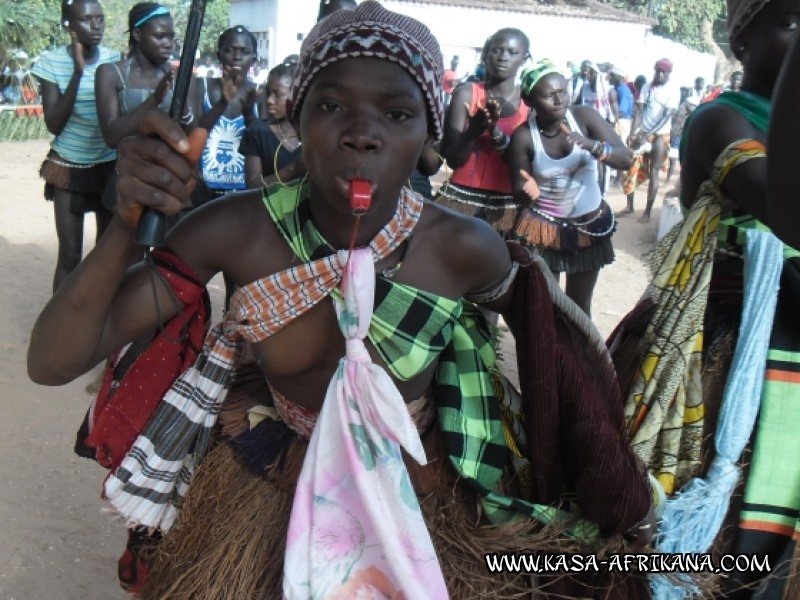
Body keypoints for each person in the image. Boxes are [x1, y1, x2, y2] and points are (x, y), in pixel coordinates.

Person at [27, 3, 656, 598]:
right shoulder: (235, 232)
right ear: (298, 121)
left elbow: (556, 349)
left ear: (429, 135)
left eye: (397, 114)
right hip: (271, 474)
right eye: (331, 105)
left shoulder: (465, 249)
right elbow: (53, 363)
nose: (362, 134)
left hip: (424, 485)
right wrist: (125, 220)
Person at [609, 0, 800, 596]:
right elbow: (783, 207)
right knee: (683, 524)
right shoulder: (721, 120)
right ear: (741, 42)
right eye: (793, 22)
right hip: (725, 340)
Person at [507, 60, 633, 317]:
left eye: (562, 91)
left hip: (589, 225)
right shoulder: (523, 136)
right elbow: (518, 188)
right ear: (529, 101)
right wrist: (526, 187)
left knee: (579, 307)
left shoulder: (584, 118)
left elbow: (626, 158)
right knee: (550, 307)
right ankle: (552, 357)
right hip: (546, 230)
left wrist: (593, 146)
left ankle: (582, 357)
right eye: (549, 95)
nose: (558, 99)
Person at [32, 0, 120, 291]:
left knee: (104, 254)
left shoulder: (114, 60)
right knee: (70, 256)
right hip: (69, 166)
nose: (96, 26)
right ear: (69, 25)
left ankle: (96, 320)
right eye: (86, 20)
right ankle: (59, 327)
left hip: (108, 165)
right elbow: (54, 123)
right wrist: (79, 73)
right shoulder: (51, 62)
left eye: (100, 19)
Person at [435, 28, 530, 236]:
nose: (503, 57)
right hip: (461, 198)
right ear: (486, 54)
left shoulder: (529, 105)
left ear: (525, 59)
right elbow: (452, 160)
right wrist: (473, 132)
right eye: (497, 50)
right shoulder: (467, 94)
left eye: (512, 52)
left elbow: (524, 165)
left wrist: (493, 131)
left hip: (508, 206)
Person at [187, 25, 260, 206]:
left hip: (244, 192)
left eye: (244, 52)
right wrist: (223, 104)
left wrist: (250, 114)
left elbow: (263, 144)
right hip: (203, 190)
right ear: (219, 55)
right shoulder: (199, 86)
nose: (237, 57)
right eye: (230, 50)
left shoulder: (260, 93)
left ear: (254, 59)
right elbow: (193, 134)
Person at [95, 2, 175, 152]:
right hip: (128, 169)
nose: (168, 44)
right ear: (137, 34)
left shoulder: (174, 75)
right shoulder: (111, 73)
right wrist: (154, 99)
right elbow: (112, 137)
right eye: (160, 36)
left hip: (168, 167)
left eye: (171, 38)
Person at [620, 58, 681, 221]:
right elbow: (638, 111)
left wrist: (646, 136)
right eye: (657, 71)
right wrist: (634, 133)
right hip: (643, 131)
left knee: (654, 171)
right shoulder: (647, 86)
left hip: (661, 134)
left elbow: (665, 116)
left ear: (669, 74)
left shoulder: (673, 90)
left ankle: (647, 211)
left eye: (663, 72)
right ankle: (629, 206)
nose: (660, 75)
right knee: (629, 167)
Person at [240, 62, 303, 191]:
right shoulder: (258, 131)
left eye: (277, 94)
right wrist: (294, 168)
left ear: (297, 94)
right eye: (268, 93)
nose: (269, 100)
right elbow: (253, 185)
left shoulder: (317, 135)